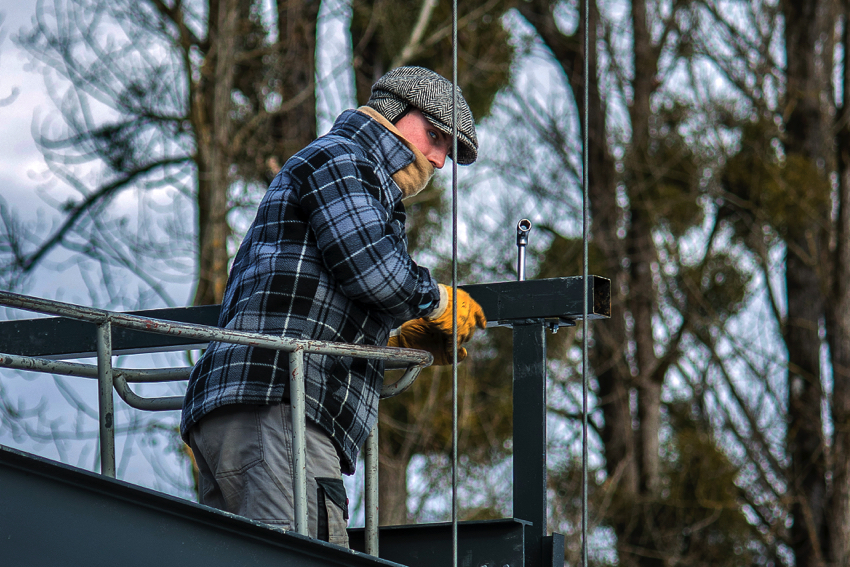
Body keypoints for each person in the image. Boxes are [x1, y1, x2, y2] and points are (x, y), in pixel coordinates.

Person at [180, 66, 486, 546]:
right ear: (392, 113)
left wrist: (390, 342)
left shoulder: (342, 171)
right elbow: (371, 267)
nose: (438, 160)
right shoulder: (343, 159)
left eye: (447, 149)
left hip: (257, 409)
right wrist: (435, 300)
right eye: (434, 136)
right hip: (279, 406)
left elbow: (313, 299)